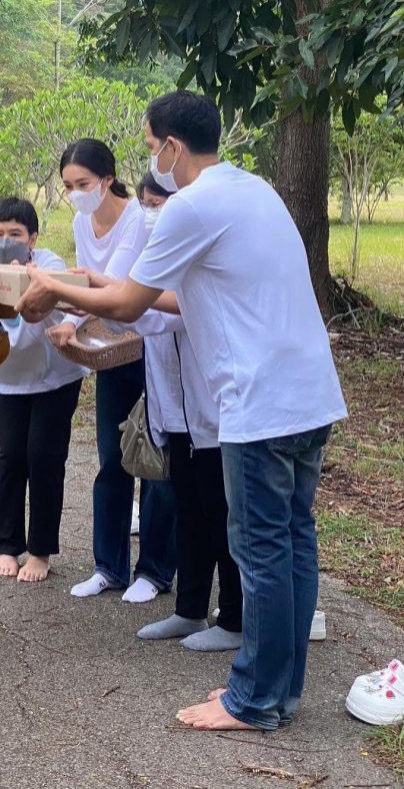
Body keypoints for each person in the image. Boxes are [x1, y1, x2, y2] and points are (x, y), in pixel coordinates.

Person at [19, 91, 347, 730]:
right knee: (292, 545)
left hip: (259, 403)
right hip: (308, 397)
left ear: (170, 146)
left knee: (259, 551)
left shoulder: (189, 207)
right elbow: (171, 298)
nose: (151, 159)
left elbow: (126, 300)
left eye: (149, 147)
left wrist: (53, 286)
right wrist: (79, 282)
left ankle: (252, 699)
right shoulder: (255, 190)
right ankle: (281, 693)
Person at [50, 139, 176, 603]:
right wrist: (71, 319)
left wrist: (67, 317)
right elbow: (86, 279)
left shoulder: (138, 222)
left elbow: (117, 287)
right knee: (112, 457)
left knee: (155, 458)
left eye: (82, 184)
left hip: (150, 347)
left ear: (107, 179)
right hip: (111, 348)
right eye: (68, 186)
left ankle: (156, 570)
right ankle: (108, 565)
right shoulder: (83, 219)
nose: (76, 193)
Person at [133, 173, 243, 653]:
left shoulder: (203, 252)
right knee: (189, 513)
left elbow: (173, 309)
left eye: (159, 202)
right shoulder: (153, 256)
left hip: (216, 412)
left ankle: (235, 618)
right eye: (146, 203)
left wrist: (121, 292)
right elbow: (143, 318)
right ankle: (190, 610)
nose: (152, 212)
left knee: (222, 515)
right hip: (176, 412)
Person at [0, 197, 88, 583]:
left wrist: (32, 279)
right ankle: (9, 546)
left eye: (15, 234)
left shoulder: (50, 266)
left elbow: (68, 303)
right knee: (9, 457)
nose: (5, 240)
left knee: (43, 456)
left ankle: (40, 551)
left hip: (53, 377)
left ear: (33, 238)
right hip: (4, 377)